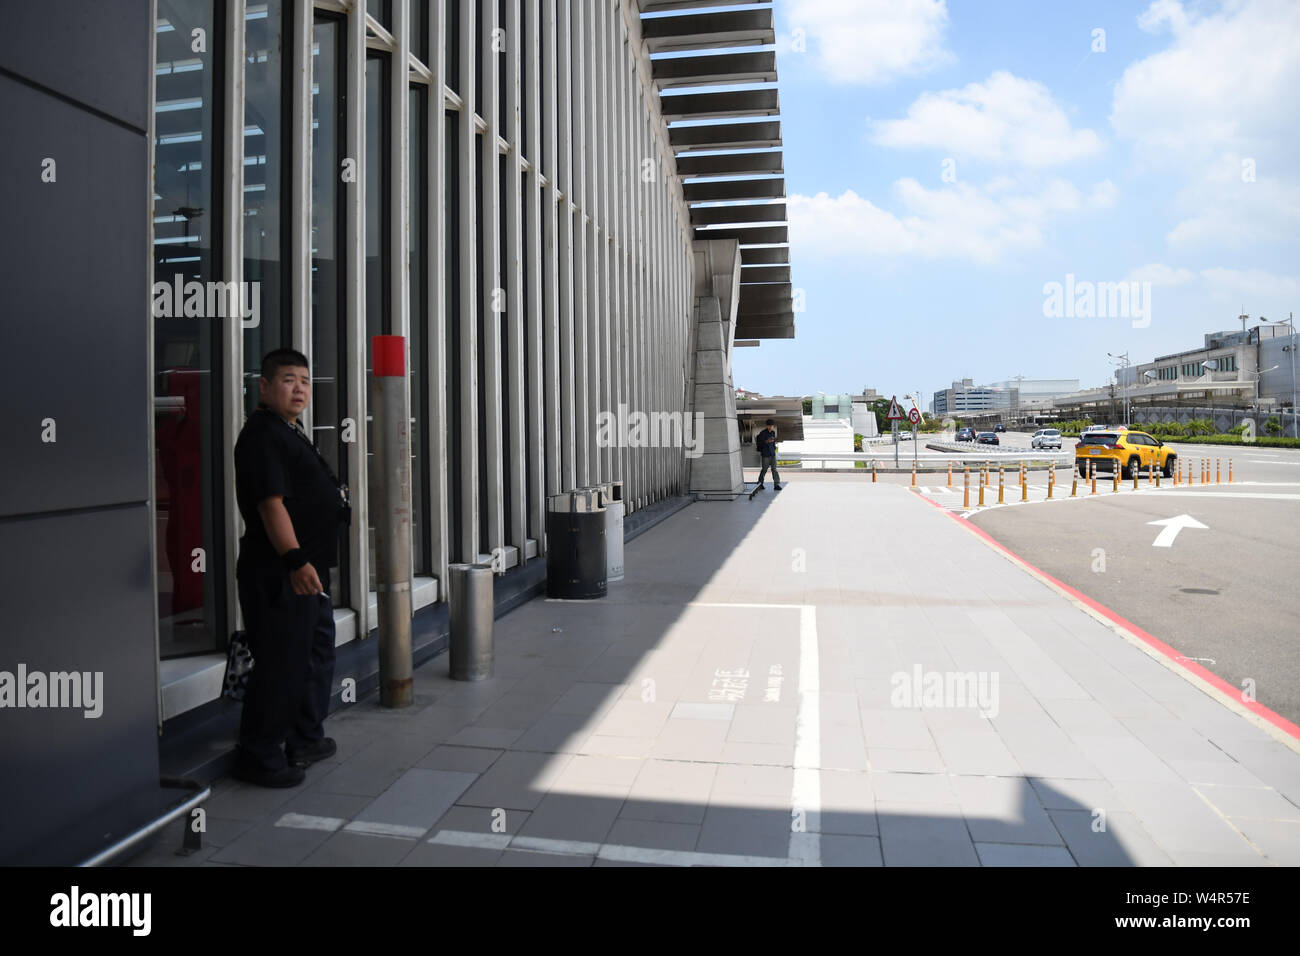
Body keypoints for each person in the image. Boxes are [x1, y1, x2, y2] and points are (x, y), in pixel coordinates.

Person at [231, 348, 347, 787]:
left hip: (309, 574)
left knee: (314, 656)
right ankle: (258, 754)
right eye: (287, 379)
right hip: (281, 573)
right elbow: (270, 504)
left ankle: (305, 738)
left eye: (304, 380)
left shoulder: (291, 430)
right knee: (281, 663)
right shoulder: (263, 435)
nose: (298, 388)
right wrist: (295, 560)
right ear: (263, 386)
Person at [755, 418, 782, 490]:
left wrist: (774, 447)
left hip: (772, 453)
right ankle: (760, 483)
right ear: (766, 426)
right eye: (769, 425)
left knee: (774, 469)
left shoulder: (773, 432)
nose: (770, 427)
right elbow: (760, 444)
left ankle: (777, 484)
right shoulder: (762, 433)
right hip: (765, 454)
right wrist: (767, 441)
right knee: (764, 469)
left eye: (772, 425)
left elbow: (773, 442)